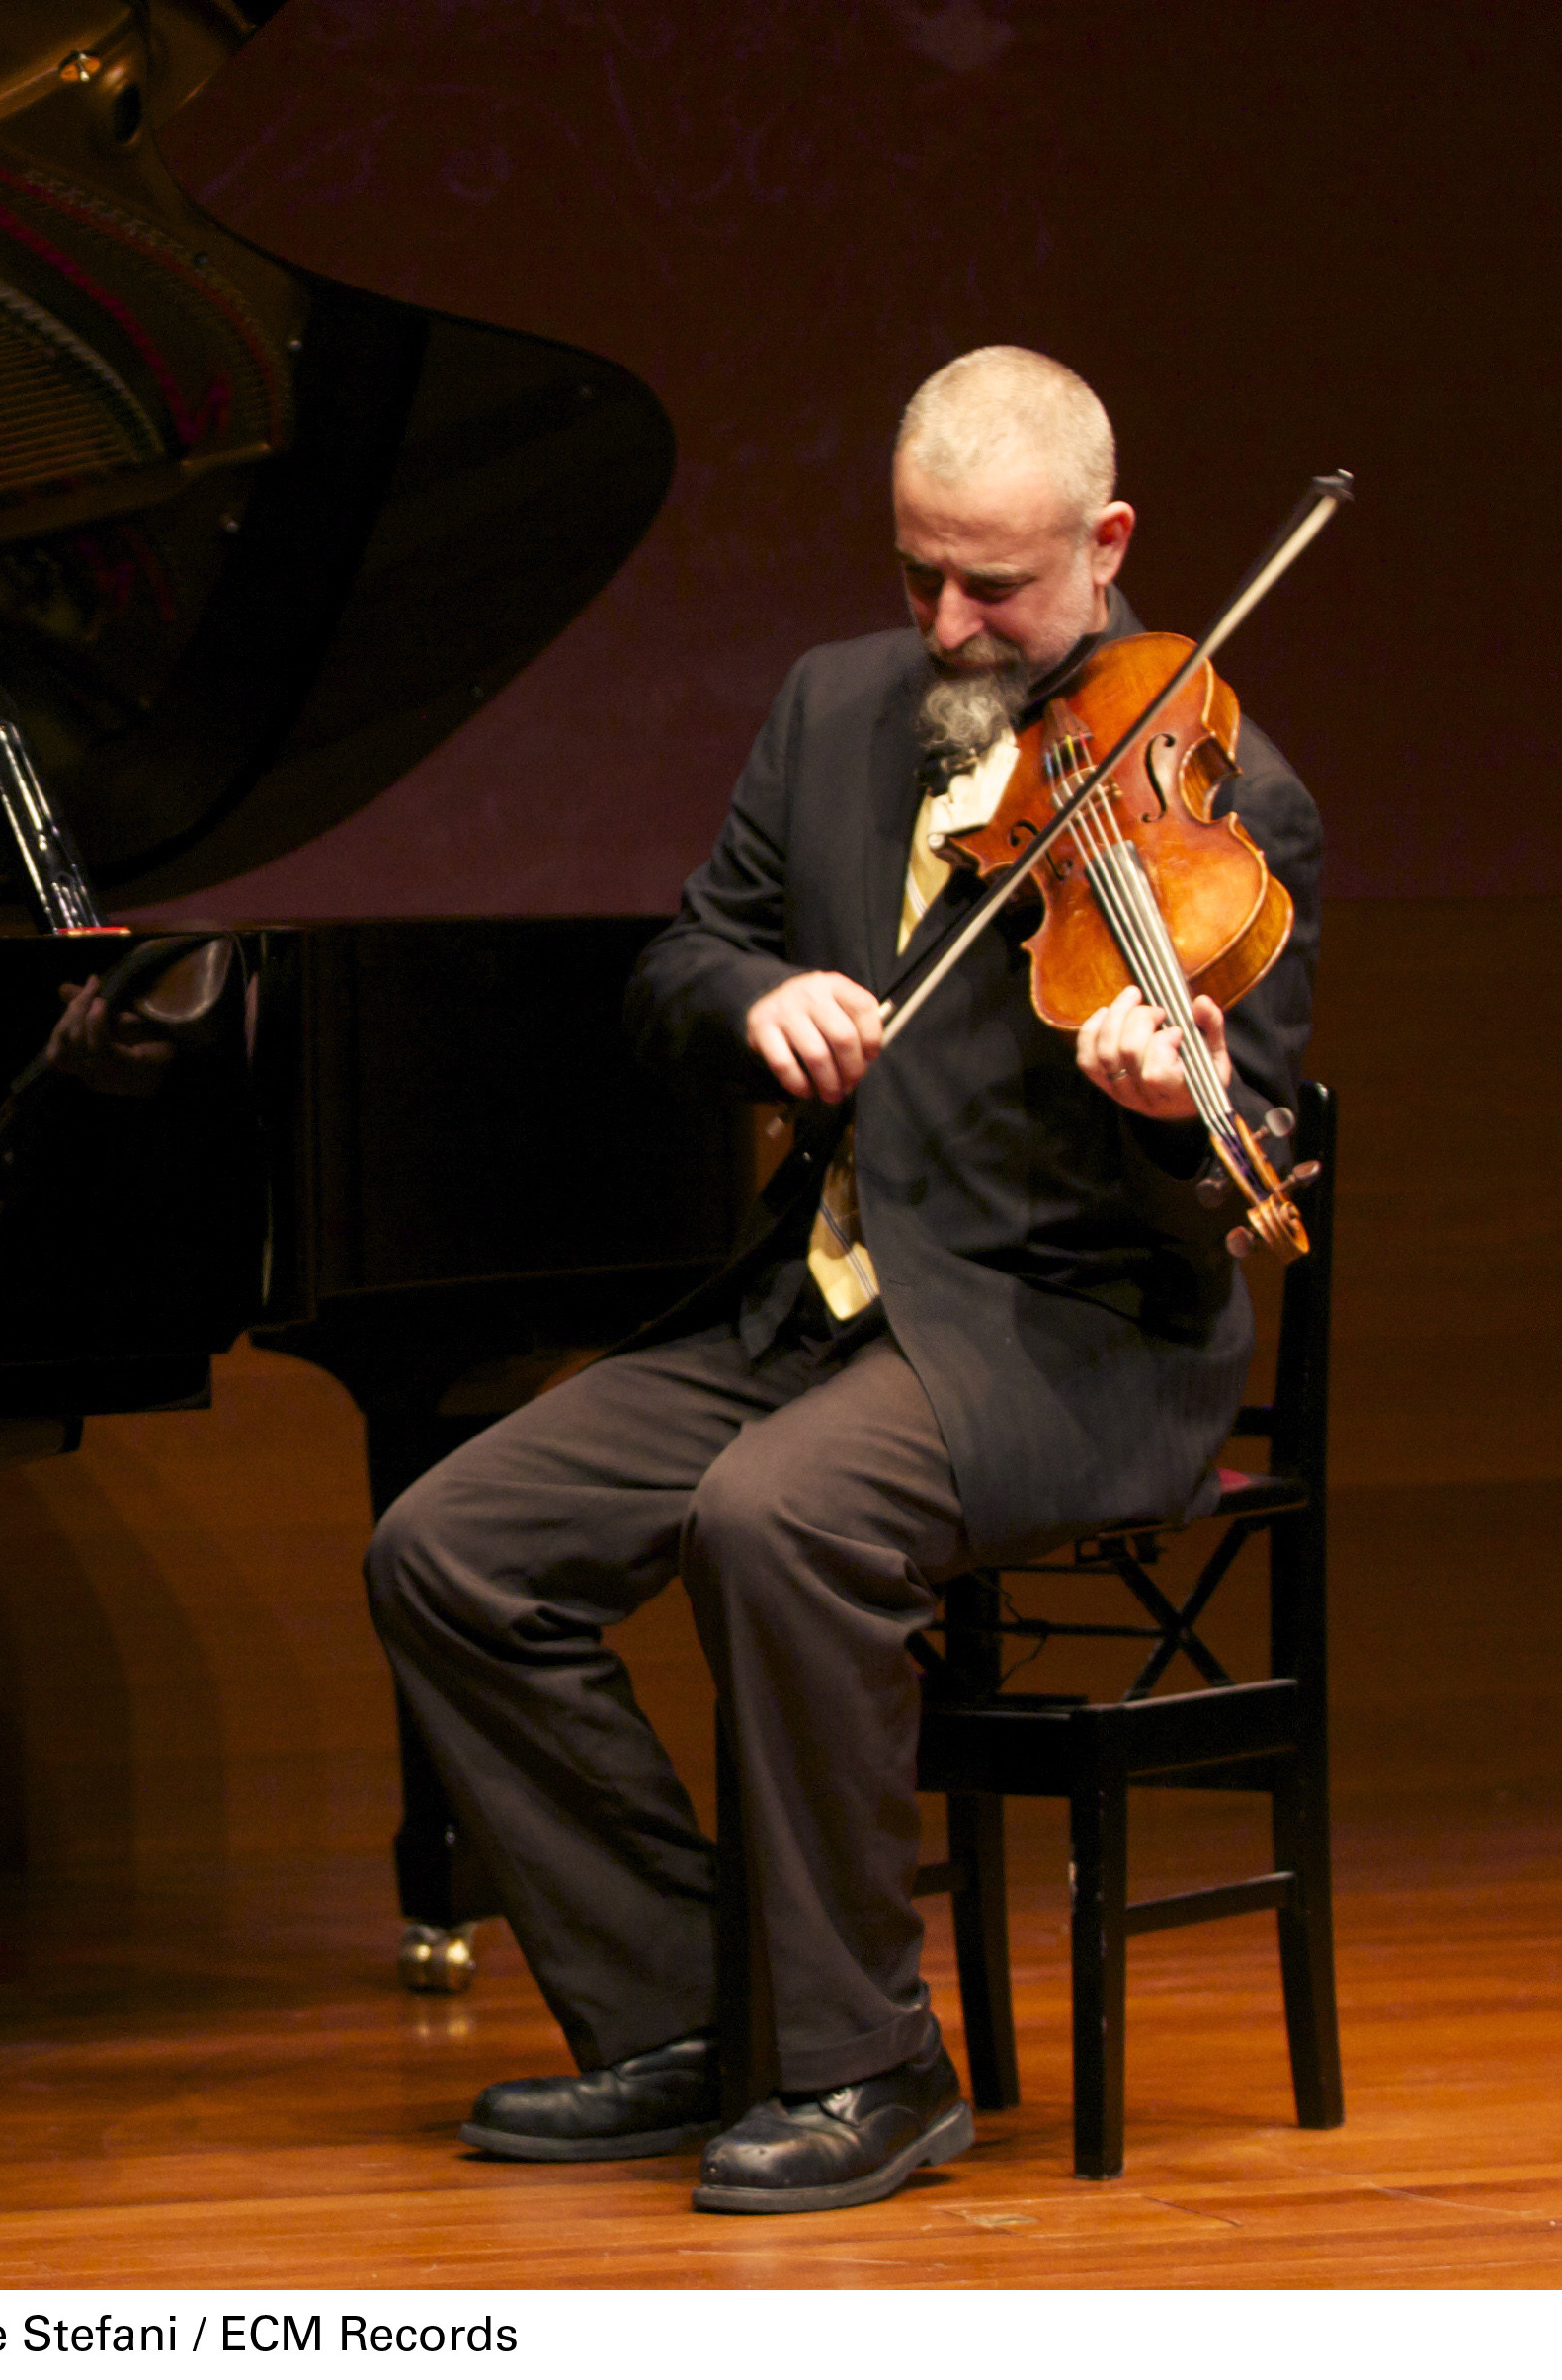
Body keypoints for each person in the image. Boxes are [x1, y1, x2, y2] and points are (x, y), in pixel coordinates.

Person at [365, 349, 1319, 2214]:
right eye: (917, 576)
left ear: (1106, 542)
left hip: (1061, 1335)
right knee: (448, 1546)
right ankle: (673, 2014)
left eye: (997, 585)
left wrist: (1154, 1100)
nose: (951, 623)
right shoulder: (829, 707)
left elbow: (1234, 1154)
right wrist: (752, 997)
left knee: (773, 1516)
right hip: (810, 1306)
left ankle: (863, 2060)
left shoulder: (1228, 793)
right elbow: (680, 960)